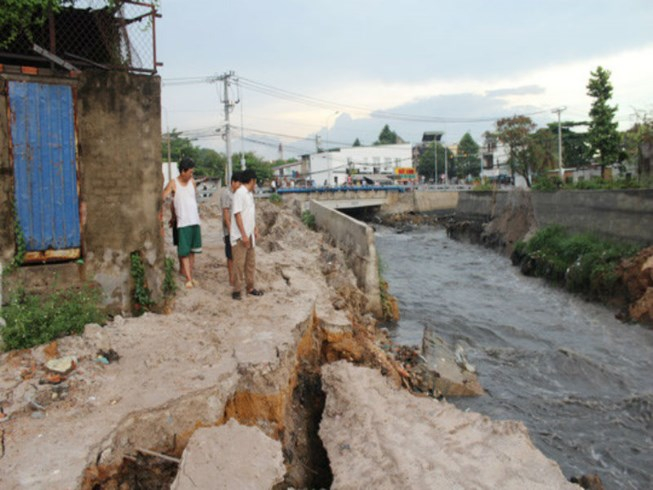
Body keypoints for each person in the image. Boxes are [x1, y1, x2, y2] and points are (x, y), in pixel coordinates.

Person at [162, 157, 201, 288]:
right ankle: (188, 278)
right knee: (184, 251)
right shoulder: (173, 183)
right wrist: (172, 216)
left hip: (194, 220)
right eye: (190, 172)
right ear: (183, 171)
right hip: (183, 222)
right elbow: (164, 197)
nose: (191, 175)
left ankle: (190, 275)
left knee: (192, 250)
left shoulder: (193, 183)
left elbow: (192, 200)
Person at [230, 169, 263, 300]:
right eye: (255, 182)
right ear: (252, 180)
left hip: (249, 234)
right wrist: (243, 234)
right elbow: (237, 215)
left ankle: (250, 287)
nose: (255, 185)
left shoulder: (249, 194)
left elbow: (249, 214)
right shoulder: (239, 194)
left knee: (250, 263)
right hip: (240, 235)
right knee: (239, 263)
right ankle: (237, 290)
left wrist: (254, 228)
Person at [221, 171, 241, 286]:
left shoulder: (238, 194)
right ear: (233, 182)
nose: (239, 186)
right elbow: (226, 215)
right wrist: (230, 231)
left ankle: (237, 277)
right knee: (230, 256)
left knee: (237, 255)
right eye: (238, 183)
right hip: (230, 231)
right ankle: (231, 279)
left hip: (238, 230)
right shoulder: (226, 194)